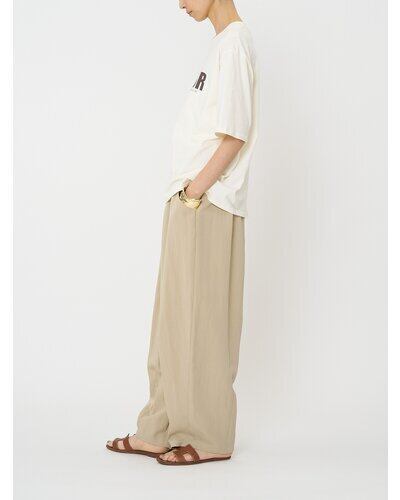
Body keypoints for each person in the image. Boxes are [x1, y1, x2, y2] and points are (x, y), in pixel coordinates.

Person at [107, 0, 259, 466]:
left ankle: (208, 435)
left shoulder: (235, 45)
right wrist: (185, 194)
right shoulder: (220, 46)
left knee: (201, 322)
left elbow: (234, 134)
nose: (179, 3)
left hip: (207, 202)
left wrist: (195, 191)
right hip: (189, 200)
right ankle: (158, 428)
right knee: (171, 323)